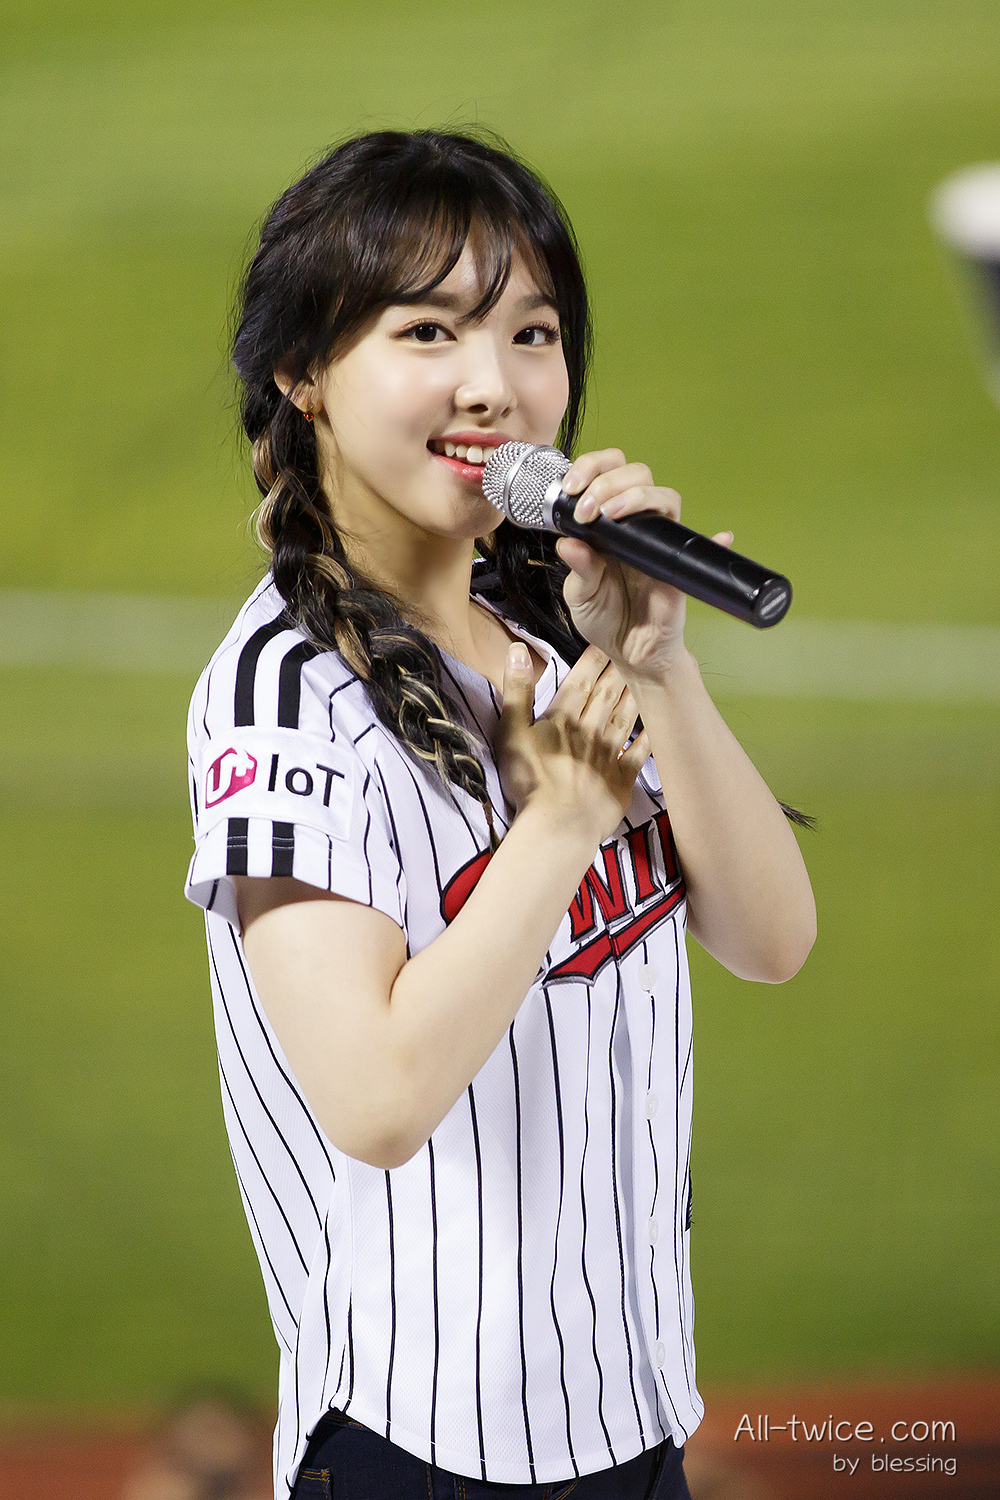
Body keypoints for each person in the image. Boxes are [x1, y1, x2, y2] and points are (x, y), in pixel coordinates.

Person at [184, 128, 816, 1500]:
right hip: (419, 1450)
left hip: (635, 1420)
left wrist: (659, 662)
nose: (496, 384)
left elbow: (773, 937)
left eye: (532, 333)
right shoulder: (283, 695)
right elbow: (375, 1097)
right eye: (428, 331)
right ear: (302, 375)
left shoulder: (550, 625)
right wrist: (562, 822)